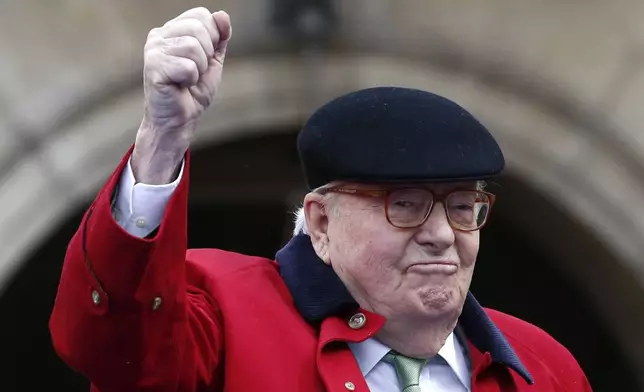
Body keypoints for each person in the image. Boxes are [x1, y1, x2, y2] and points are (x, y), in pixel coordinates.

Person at [49, 7, 592, 392]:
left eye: (461, 206)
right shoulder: (223, 318)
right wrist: (162, 137)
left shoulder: (544, 367)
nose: (443, 233)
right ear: (321, 222)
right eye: (404, 204)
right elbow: (116, 346)